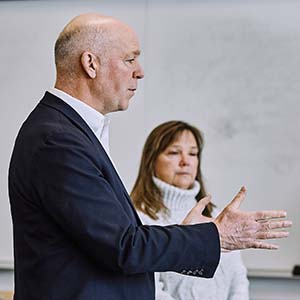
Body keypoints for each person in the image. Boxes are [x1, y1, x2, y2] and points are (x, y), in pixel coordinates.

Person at [8, 13, 291, 300]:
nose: (140, 71)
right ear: (91, 64)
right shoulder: (58, 140)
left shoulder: (69, 131)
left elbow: (111, 241)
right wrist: (214, 236)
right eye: (130, 59)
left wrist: (186, 233)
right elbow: (123, 247)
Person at [131, 120, 249, 300]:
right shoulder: (139, 219)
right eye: (173, 152)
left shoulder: (216, 215)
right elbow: (150, 289)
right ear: (151, 160)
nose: (185, 161)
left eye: (193, 153)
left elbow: (238, 278)